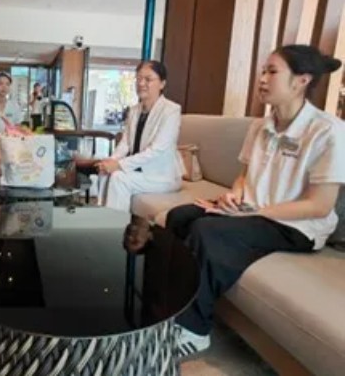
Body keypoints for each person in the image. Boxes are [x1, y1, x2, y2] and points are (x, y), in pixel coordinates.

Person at [166, 45, 344, 359]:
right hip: (253, 210)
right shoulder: (261, 126)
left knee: (207, 231)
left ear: (301, 80)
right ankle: (174, 305)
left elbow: (320, 205)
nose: (262, 79)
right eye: (263, 71)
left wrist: (253, 212)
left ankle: (194, 330)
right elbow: (244, 177)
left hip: (296, 224)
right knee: (179, 217)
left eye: (272, 72)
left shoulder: (328, 132)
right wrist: (234, 196)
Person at [97, 60, 183, 211]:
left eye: (148, 79)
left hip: (162, 176)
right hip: (139, 171)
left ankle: (116, 226)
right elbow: (125, 143)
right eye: (138, 78)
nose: (141, 83)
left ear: (162, 84)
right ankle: (105, 219)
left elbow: (156, 150)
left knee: (119, 178)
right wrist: (112, 160)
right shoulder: (134, 111)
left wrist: (119, 165)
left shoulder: (171, 111)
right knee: (105, 172)